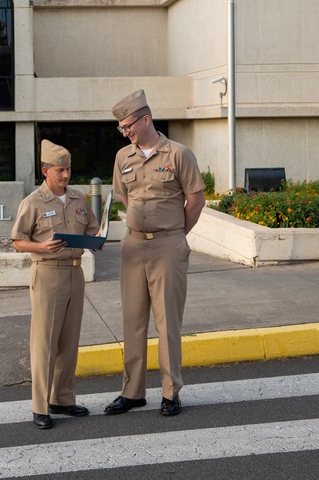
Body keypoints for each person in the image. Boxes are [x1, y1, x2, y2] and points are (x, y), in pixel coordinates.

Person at [105, 89, 205, 417]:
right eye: (121, 128)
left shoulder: (178, 154)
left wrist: (174, 234)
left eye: (129, 125)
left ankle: (170, 391)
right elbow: (126, 198)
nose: (125, 132)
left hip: (167, 246)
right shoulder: (123, 157)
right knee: (133, 321)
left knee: (167, 322)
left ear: (146, 119)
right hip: (134, 245)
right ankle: (132, 392)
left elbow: (196, 201)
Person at [11, 139, 100, 430]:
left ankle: (62, 398)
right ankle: (40, 406)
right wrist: (40, 247)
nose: (66, 175)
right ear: (45, 171)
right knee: (45, 342)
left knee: (69, 342)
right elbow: (17, 241)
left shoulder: (78, 199)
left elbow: (92, 228)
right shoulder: (33, 202)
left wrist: (97, 239)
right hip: (48, 273)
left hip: (76, 274)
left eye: (69, 169)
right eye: (60, 170)